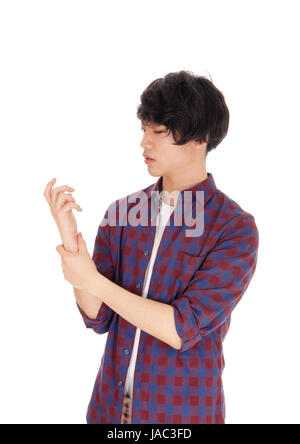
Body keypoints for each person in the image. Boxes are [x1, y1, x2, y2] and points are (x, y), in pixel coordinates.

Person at [44, 70, 259, 424]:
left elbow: (180, 328)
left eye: (158, 132)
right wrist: (72, 241)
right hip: (109, 410)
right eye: (144, 129)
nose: (144, 143)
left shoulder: (234, 228)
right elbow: (97, 317)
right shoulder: (123, 212)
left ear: (200, 138)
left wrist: (92, 279)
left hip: (180, 416)